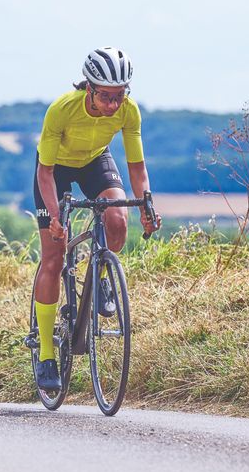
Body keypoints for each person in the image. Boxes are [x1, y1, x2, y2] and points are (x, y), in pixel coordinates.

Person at [31, 47, 161, 391]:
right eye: (106, 96)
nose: (114, 105)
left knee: (117, 220)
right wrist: (55, 217)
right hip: (55, 169)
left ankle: (101, 270)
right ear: (89, 88)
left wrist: (146, 207)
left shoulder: (129, 112)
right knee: (54, 254)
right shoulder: (61, 110)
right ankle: (46, 354)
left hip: (94, 161)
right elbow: (45, 172)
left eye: (120, 96)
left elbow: (136, 167)